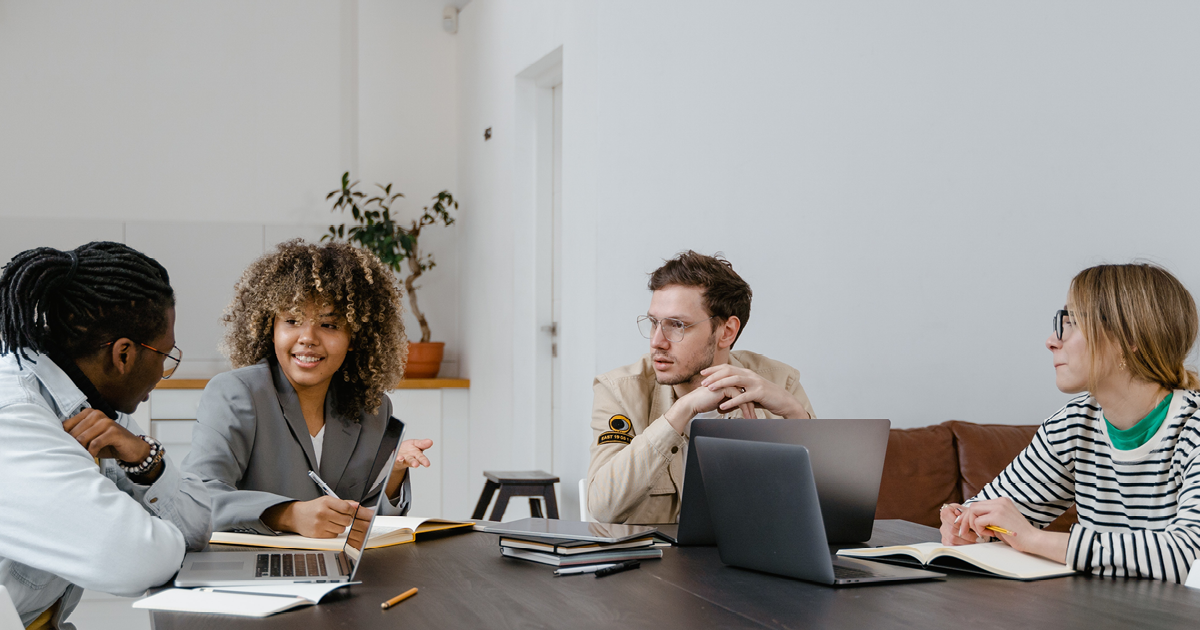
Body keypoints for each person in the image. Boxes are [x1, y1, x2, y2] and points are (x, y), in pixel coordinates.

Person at [942, 263, 1200, 582]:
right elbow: (987, 511)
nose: (1052, 340)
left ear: (1130, 337)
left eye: (1072, 322)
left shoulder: (1193, 428)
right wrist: (970, 527)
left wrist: (1035, 539)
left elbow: (1189, 555)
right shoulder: (1074, 425)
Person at [0, 242, 212, 629]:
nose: (165, 372)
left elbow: (198, 524)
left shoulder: (87, 404)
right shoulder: (13, 414)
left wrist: (145, 460)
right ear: (124, 355)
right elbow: (134, 561)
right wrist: (160, 536)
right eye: (164, 357)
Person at [182, 240, 433, 537]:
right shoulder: (235, 393)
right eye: (292, 321)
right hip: (250, 570)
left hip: (341, 573)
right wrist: (288, 515)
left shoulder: (371, 407)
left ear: (354, 337)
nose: (308, 338)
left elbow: (363, 524)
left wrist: (392, 474)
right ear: (270, 329)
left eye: (328, 325)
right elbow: (196, 499)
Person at [587, 251, 816, 524]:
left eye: (677, 325)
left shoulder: (780, 382)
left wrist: (794, 413)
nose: (657, 341)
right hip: (656, 563)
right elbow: (602, 508)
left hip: (755, 560)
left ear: (726, 332)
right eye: (653, 323)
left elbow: (825, 510)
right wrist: (682, 411)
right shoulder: (619, 390)